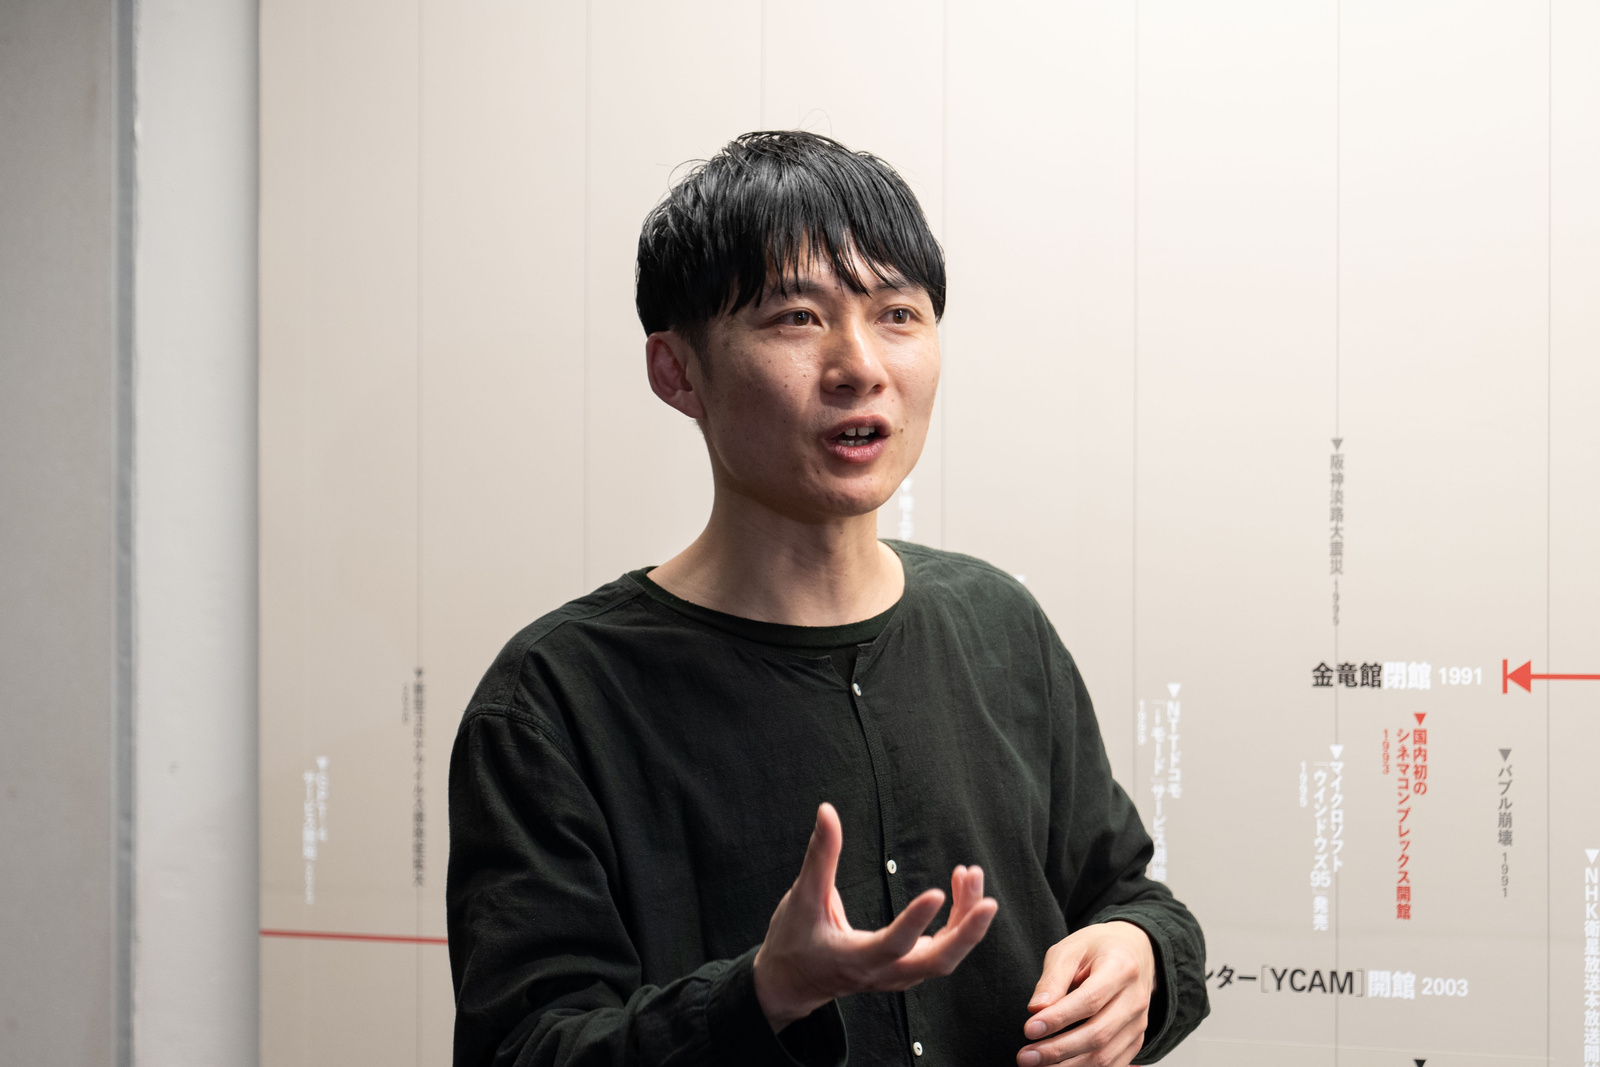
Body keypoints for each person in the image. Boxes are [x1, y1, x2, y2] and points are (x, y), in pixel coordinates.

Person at [446, 130, 1208, 1067]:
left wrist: (1139, 953)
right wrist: (764, 994)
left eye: (898, 313)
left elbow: (1126, 893)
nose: (860, 365)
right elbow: (523, 1048)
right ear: (677, 370)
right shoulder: (555, 698)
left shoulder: (999, 624)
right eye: (798, 318)